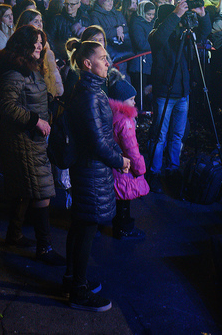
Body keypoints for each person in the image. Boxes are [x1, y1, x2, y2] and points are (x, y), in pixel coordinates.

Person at [0, 25, 63, 264]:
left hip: (33, 138)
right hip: (24, 140)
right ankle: (45, 248)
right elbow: (7, 107)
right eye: (35, 43)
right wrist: (35, 121)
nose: (40, 47)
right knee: (41, 191)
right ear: (23, 45)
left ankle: (15, 233)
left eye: (41, 43)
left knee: (25, 190)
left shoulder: (29, 68)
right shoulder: (15, 72)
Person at [65, 39, 129, 311]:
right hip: (90, 171)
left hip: (90, 168)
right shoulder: (90, 95)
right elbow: (97, 142)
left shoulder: (91, 90)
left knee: (81, 225)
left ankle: (73, 279)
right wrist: (120, 161)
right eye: (103, 58)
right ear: (87, 64)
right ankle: (78, 291)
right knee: (86, 228)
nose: (108, 62)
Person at [147, 0, 211, 193]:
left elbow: (203, 33)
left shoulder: (183, 35)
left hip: (183, 94)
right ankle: (154, 172)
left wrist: (202, 15)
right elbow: (160, 38)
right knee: (160, 136)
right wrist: (175, 15)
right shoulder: (157, 34)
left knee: (177, 135)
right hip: (164, 93)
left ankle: (173, 168)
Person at [107, 70, 149, 239]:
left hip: (113, 165)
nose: (134, 102)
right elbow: (131, 148)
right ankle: (124, 229)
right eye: (131, 99)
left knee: (117, 198)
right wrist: (140, 168)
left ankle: (117, 226)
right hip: (125, 168)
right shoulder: (126, 121)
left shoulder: (111, 115)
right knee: (124, 199)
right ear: (122, 101)